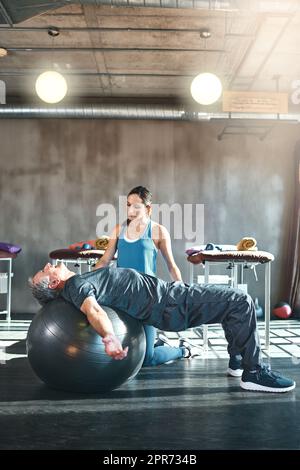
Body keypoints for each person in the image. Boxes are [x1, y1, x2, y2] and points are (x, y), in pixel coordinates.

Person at [30, 262, 296, 393]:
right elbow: (94, 311)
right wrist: (109, 337)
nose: (48, 265)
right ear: (53, 284)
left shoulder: (78, 282)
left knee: (230, 304)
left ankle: (237, 362)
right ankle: (254, 372)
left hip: (168, 298)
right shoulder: (76, 287)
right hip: (170, 302)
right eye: (46, 271)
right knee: (241, 301)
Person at [94, 185, 199, 366]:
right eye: (128, 205)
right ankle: (159, 343)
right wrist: (86, 281)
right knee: (126, 354)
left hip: (148, 299)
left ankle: (183, 350)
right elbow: (104, 261)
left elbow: (172, 266)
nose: (131, 210)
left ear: (148, 208)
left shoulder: (158, 231)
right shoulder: (119, 230)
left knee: (147, 359)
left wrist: (182, 293)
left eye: (136, 206)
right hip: (121, 298)